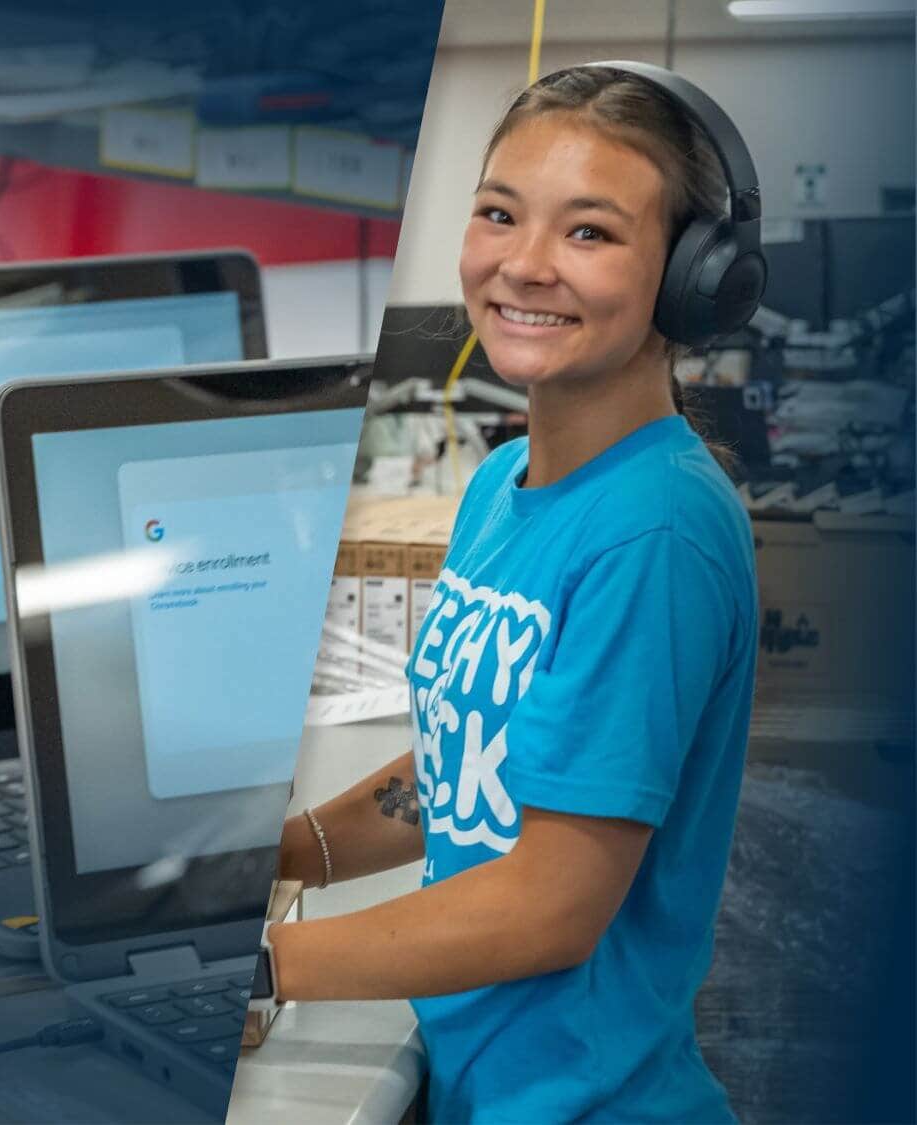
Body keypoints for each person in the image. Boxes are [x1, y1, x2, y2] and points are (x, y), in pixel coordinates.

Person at [264, 64, 759, 1123]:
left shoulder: (656, 531)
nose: (525, 265)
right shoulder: (501, 486)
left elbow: (549, 908)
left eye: (589, 233)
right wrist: (281, 852)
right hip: (485, 1089)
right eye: (499, 213)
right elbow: (469, 758)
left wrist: (267, 962)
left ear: (693, 279)